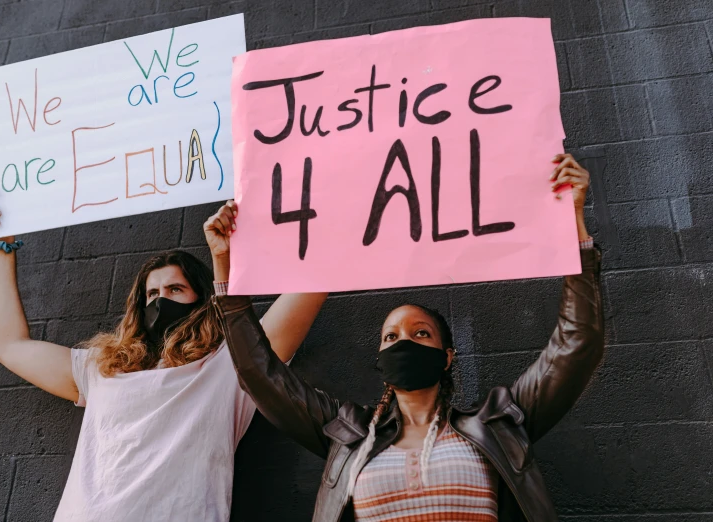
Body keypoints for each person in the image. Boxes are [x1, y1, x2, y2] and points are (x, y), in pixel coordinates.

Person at [211, 153, 603, 521]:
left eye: (420, 333)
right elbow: (261, 375)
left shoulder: (501, 423)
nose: (404, 342)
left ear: (447, 356)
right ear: (380, 359)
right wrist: (224, 267)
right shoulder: (346, 435)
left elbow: (575, 345)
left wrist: (574, 229)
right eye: (391, 336)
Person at [0, 186, 327, 522]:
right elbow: (8, 345)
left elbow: (314, 281)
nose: (161, 300)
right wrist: (0, 250)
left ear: (202, 300)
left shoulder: (232, 364)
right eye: (152, 293)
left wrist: (231, 252)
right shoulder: (103, 369)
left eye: (176, 288)